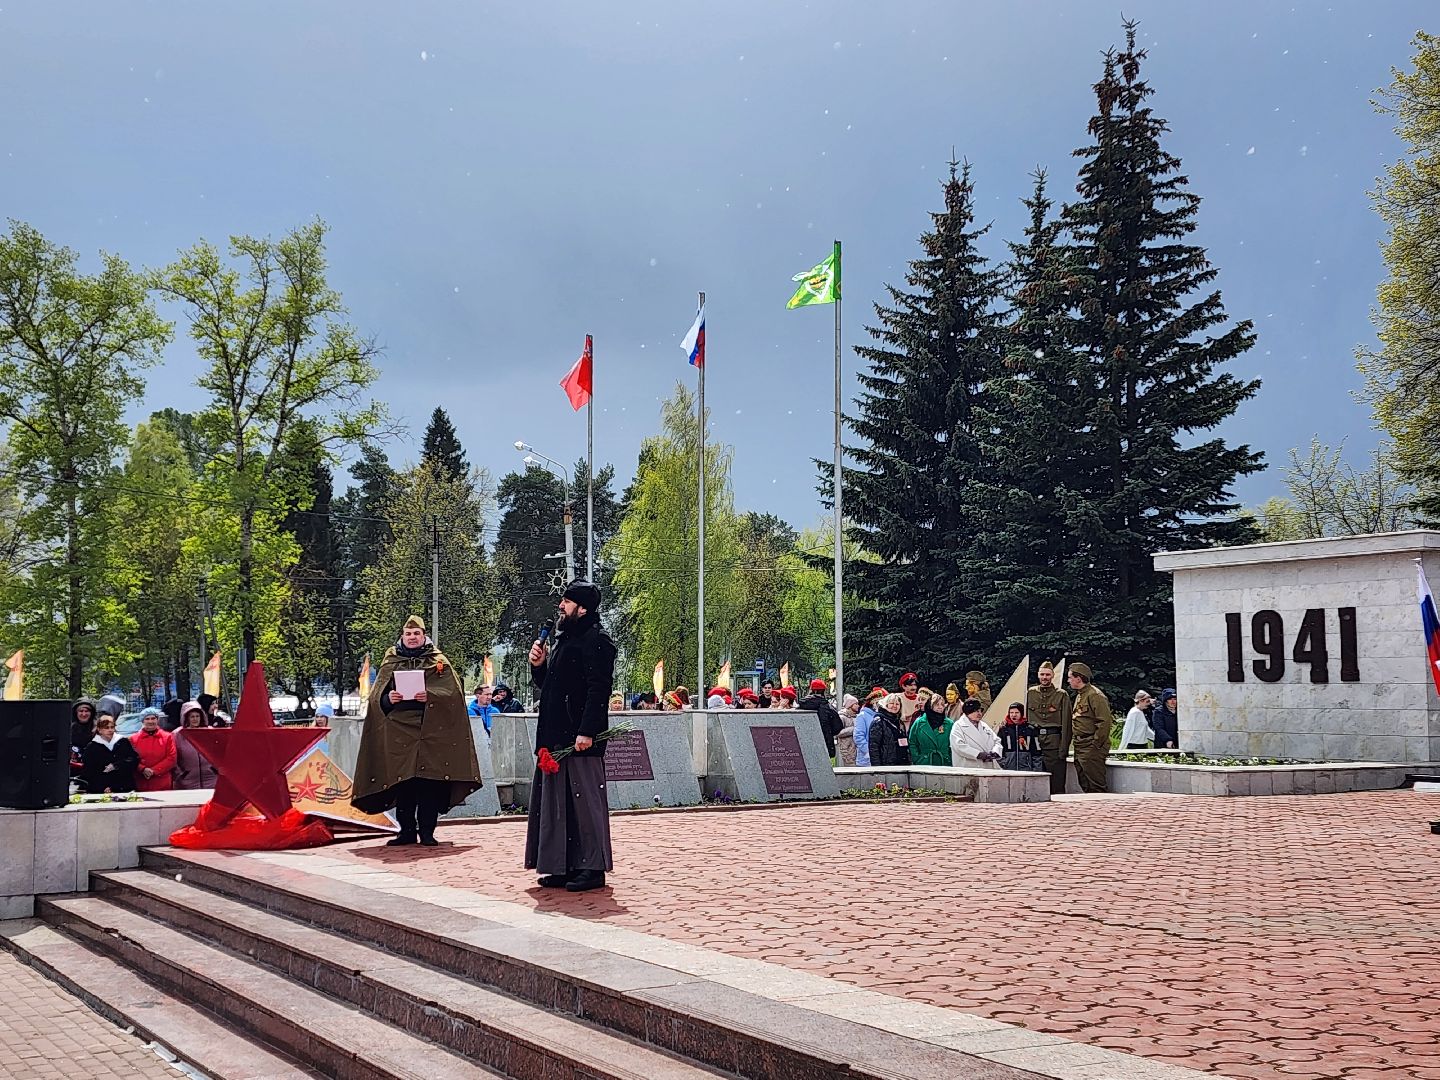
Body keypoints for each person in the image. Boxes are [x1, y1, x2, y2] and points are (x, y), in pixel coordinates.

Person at [352, 615, 483, 847]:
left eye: (417, 634)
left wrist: (430, 696)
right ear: (402, 637)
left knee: (428, 784)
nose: (412, 638)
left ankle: (427, 832)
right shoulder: (391, 660)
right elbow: (376, 699)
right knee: (403, 784)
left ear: (424, 636)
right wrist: (388, 698)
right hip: (399, 733)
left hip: (430, 733)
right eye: (408, 634)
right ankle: (406, 831)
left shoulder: (438, 660)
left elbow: (454, 695)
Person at [526, 581, 617, 893]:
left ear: (583, 608)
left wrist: (588, 731)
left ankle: (591, 868)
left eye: (566, 602)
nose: (561, 607)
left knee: (585, 802)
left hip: (580, 737)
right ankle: (562, 866)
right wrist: (539, 667)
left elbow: (598, 689)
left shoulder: (598, 640)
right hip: (555, 734)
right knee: (559, 803)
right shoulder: (567, 639)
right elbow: (554, 686)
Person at [1027, 660, 1073, 796]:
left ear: (1053, 676)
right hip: (1034, 741)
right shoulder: (1030, 693)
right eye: (1042, 674)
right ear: (1038, 675)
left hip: (1053, 741)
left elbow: (1067, 723)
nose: (1044, 678)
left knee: (1056, 777)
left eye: (1047, 675)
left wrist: (1063, 748)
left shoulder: (1061, 695)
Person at [1068, 662, 1113, 793]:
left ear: (1078, 678)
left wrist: (1096, 744)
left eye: (1070, 677)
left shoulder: (1095, 695)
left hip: (1091, 745)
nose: (1068, 680)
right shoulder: (1080, 695)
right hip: (1080, 744)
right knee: (1084, 782)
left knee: (1096, 784)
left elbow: (1104, 722)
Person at [79, 714, 139, 794]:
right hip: (101, 789)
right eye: (106, 728)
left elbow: (134, 759)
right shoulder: (92, 746)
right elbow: (89, 770)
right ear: (99, 730)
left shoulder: (123, 741)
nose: (110, 730)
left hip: (124, 786)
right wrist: (102, 787)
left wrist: (116, 765)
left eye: (112, 727)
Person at [172, 701, 218, 790]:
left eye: (197, 716)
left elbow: (218, 752)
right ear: (186, 718)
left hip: (211, 780)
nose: (195, 719)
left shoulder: (210, 732)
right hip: (187, 781)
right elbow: (173, 757)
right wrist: (180, 774)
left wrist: (216, 769)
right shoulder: (177, 734)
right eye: (192, 717)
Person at [130, 707, 177, 792]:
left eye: (153, 718)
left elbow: (172, 758)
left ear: (157, 720)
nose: (150, 721)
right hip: (141, 782)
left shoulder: (167, 737)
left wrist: (154, 771)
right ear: (142, 721)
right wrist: (142, 769)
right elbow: (130, 758)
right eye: (147, 719)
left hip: (162, 783)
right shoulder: (133, 739)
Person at [797, 678, 844, 758]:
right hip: (825, 742)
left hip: (805, 742)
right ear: (823, 691)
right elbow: (838, 726)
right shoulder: (828, 707)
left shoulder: (802, 706)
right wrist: (828, 732)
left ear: (811, 690)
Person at [950, 698, 1002, 768]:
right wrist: (978, 754)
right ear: (968, 712)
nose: (980, 714)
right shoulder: (958, 726)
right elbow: (959, 746)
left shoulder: (984, 725)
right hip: (969, 768)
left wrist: (995, 751)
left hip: (988, 767)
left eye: (980, 711)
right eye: (976, 711)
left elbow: (997, 740)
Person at [908, 693, 954, 766]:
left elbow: (954, 744)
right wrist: (917, 759)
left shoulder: (949, 724)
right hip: (924, 762)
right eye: (937, 704)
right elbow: (912, 742)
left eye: (942, 704)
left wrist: (950, 759)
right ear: (930, 705)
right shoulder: (919, 723)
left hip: (945, 762)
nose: (940, 707)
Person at [999, 703, 1046, 772]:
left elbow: (1037, 752)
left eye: (1016, 712)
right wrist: (1004, 763)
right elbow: (998, 748)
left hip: (1026, 769)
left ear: (1021, 713)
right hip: (1008, 770)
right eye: (1011, 712)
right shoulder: (1003, 730)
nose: (1014, 715)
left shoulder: (1030, 729)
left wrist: (1037, 770)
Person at [868, 693, 909, 766]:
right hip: (886, 765)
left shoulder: (900, 722)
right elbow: (874, 748)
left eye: (897, 704)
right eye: (891, 703)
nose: (894, 706)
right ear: (885, 704)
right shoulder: (879, 721)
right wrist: (877, 769)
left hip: (902, 763)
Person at [853, 687, 885, 767]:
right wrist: (869, 752)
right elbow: (858, 736)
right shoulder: (862, 716)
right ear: (872, 702)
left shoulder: (881, 715)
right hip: (866, 760)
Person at [835, 693, 860, 766]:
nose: (858, 706)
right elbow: (837, 733)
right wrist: (853, 729)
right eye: (856, 704)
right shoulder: (842, 717)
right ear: (850, 705)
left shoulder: (857, 717)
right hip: (846, 750)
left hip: (856, 749)